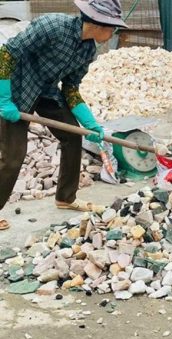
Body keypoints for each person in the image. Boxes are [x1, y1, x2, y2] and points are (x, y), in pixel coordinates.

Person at [0, 0, 128, 231]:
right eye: (112, 28)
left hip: (46, 92)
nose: (113, 34)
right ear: (98, 24)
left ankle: (66, 197)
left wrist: (90, 123)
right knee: (13, 156)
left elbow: (70, 88)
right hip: (17, 90)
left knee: (72, 136)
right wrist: (4, 98)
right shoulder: (53, 26)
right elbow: (7, 53)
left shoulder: (88, 51)